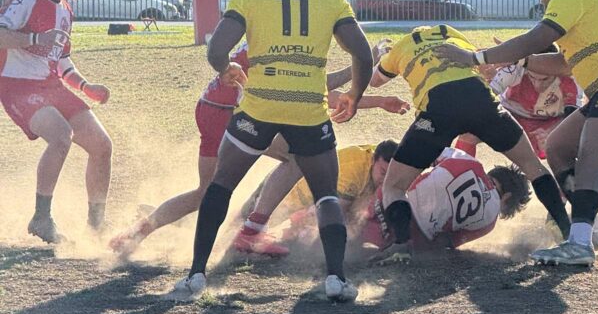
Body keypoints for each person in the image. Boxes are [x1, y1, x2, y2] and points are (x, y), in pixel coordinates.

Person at [170, 0, 373, 302]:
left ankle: (196, 275)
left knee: (220, 186)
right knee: (326, 195)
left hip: (258, 109)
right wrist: (355, 97)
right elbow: (362, 52)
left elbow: (217, 48)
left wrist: (225, 68)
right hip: (308, 111)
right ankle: (336, 279)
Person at [435, 0, 598, 268]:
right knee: (558, 148)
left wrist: (476, 58)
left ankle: (580, 244)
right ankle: (591, 229)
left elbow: (537, 37)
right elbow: (564, 64)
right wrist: (521, 61)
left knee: (589, 167)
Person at [109, 50, 407, 257]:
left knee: (205, 192)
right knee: (298, 157)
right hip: (234, 111)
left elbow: (314, 83)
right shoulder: (292, 33)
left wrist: (360, 73)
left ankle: (138, 232)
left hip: (211, 105)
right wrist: (376, 97)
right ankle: (251, 231)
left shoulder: (275, 13)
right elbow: (314, 92)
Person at [365, 24, 572, 264]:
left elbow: (375, 81)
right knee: (532, 165)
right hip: (480, 99)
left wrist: (381, 56)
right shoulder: (451, 32)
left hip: (438, 108)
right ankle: (568, 233)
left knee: (394, 185)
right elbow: (483, 68)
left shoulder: (401, 47)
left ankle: (401, 245)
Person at [0, 0, 112, 243]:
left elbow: (61, 60)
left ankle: (96, 227)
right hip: (18, 85)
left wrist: (86, 87)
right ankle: (41, 218)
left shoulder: (66, 9)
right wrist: (35, 37)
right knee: (62, 136)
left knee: (102, 145)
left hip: (51, 85)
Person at [233, 139, 400, 255]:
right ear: (373, 159)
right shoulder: (354, 169)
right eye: (383, 172)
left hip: (306, 195)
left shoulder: (382, 160)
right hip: (288, 193)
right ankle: (221, 248)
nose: (386, 179)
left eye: (390, 174)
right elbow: (337, 216)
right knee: (242, 228)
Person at [363, 143, 532, 255]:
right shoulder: (490, 222)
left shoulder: (467, 160)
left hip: (393, 206)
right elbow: (446, 242)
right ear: (507, 197)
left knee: (357, 231)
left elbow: (423, 151)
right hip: (415, 238)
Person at [488, 51, 579, 159]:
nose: (538, 85)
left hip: (550, 120)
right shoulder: (514, 70)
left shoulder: (572, 78)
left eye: (545, 79)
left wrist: (552, 132)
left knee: (577, 134)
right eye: (532, 77)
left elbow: (574, 115)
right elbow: (484, 98)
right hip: (512, 115)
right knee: (472, 130)